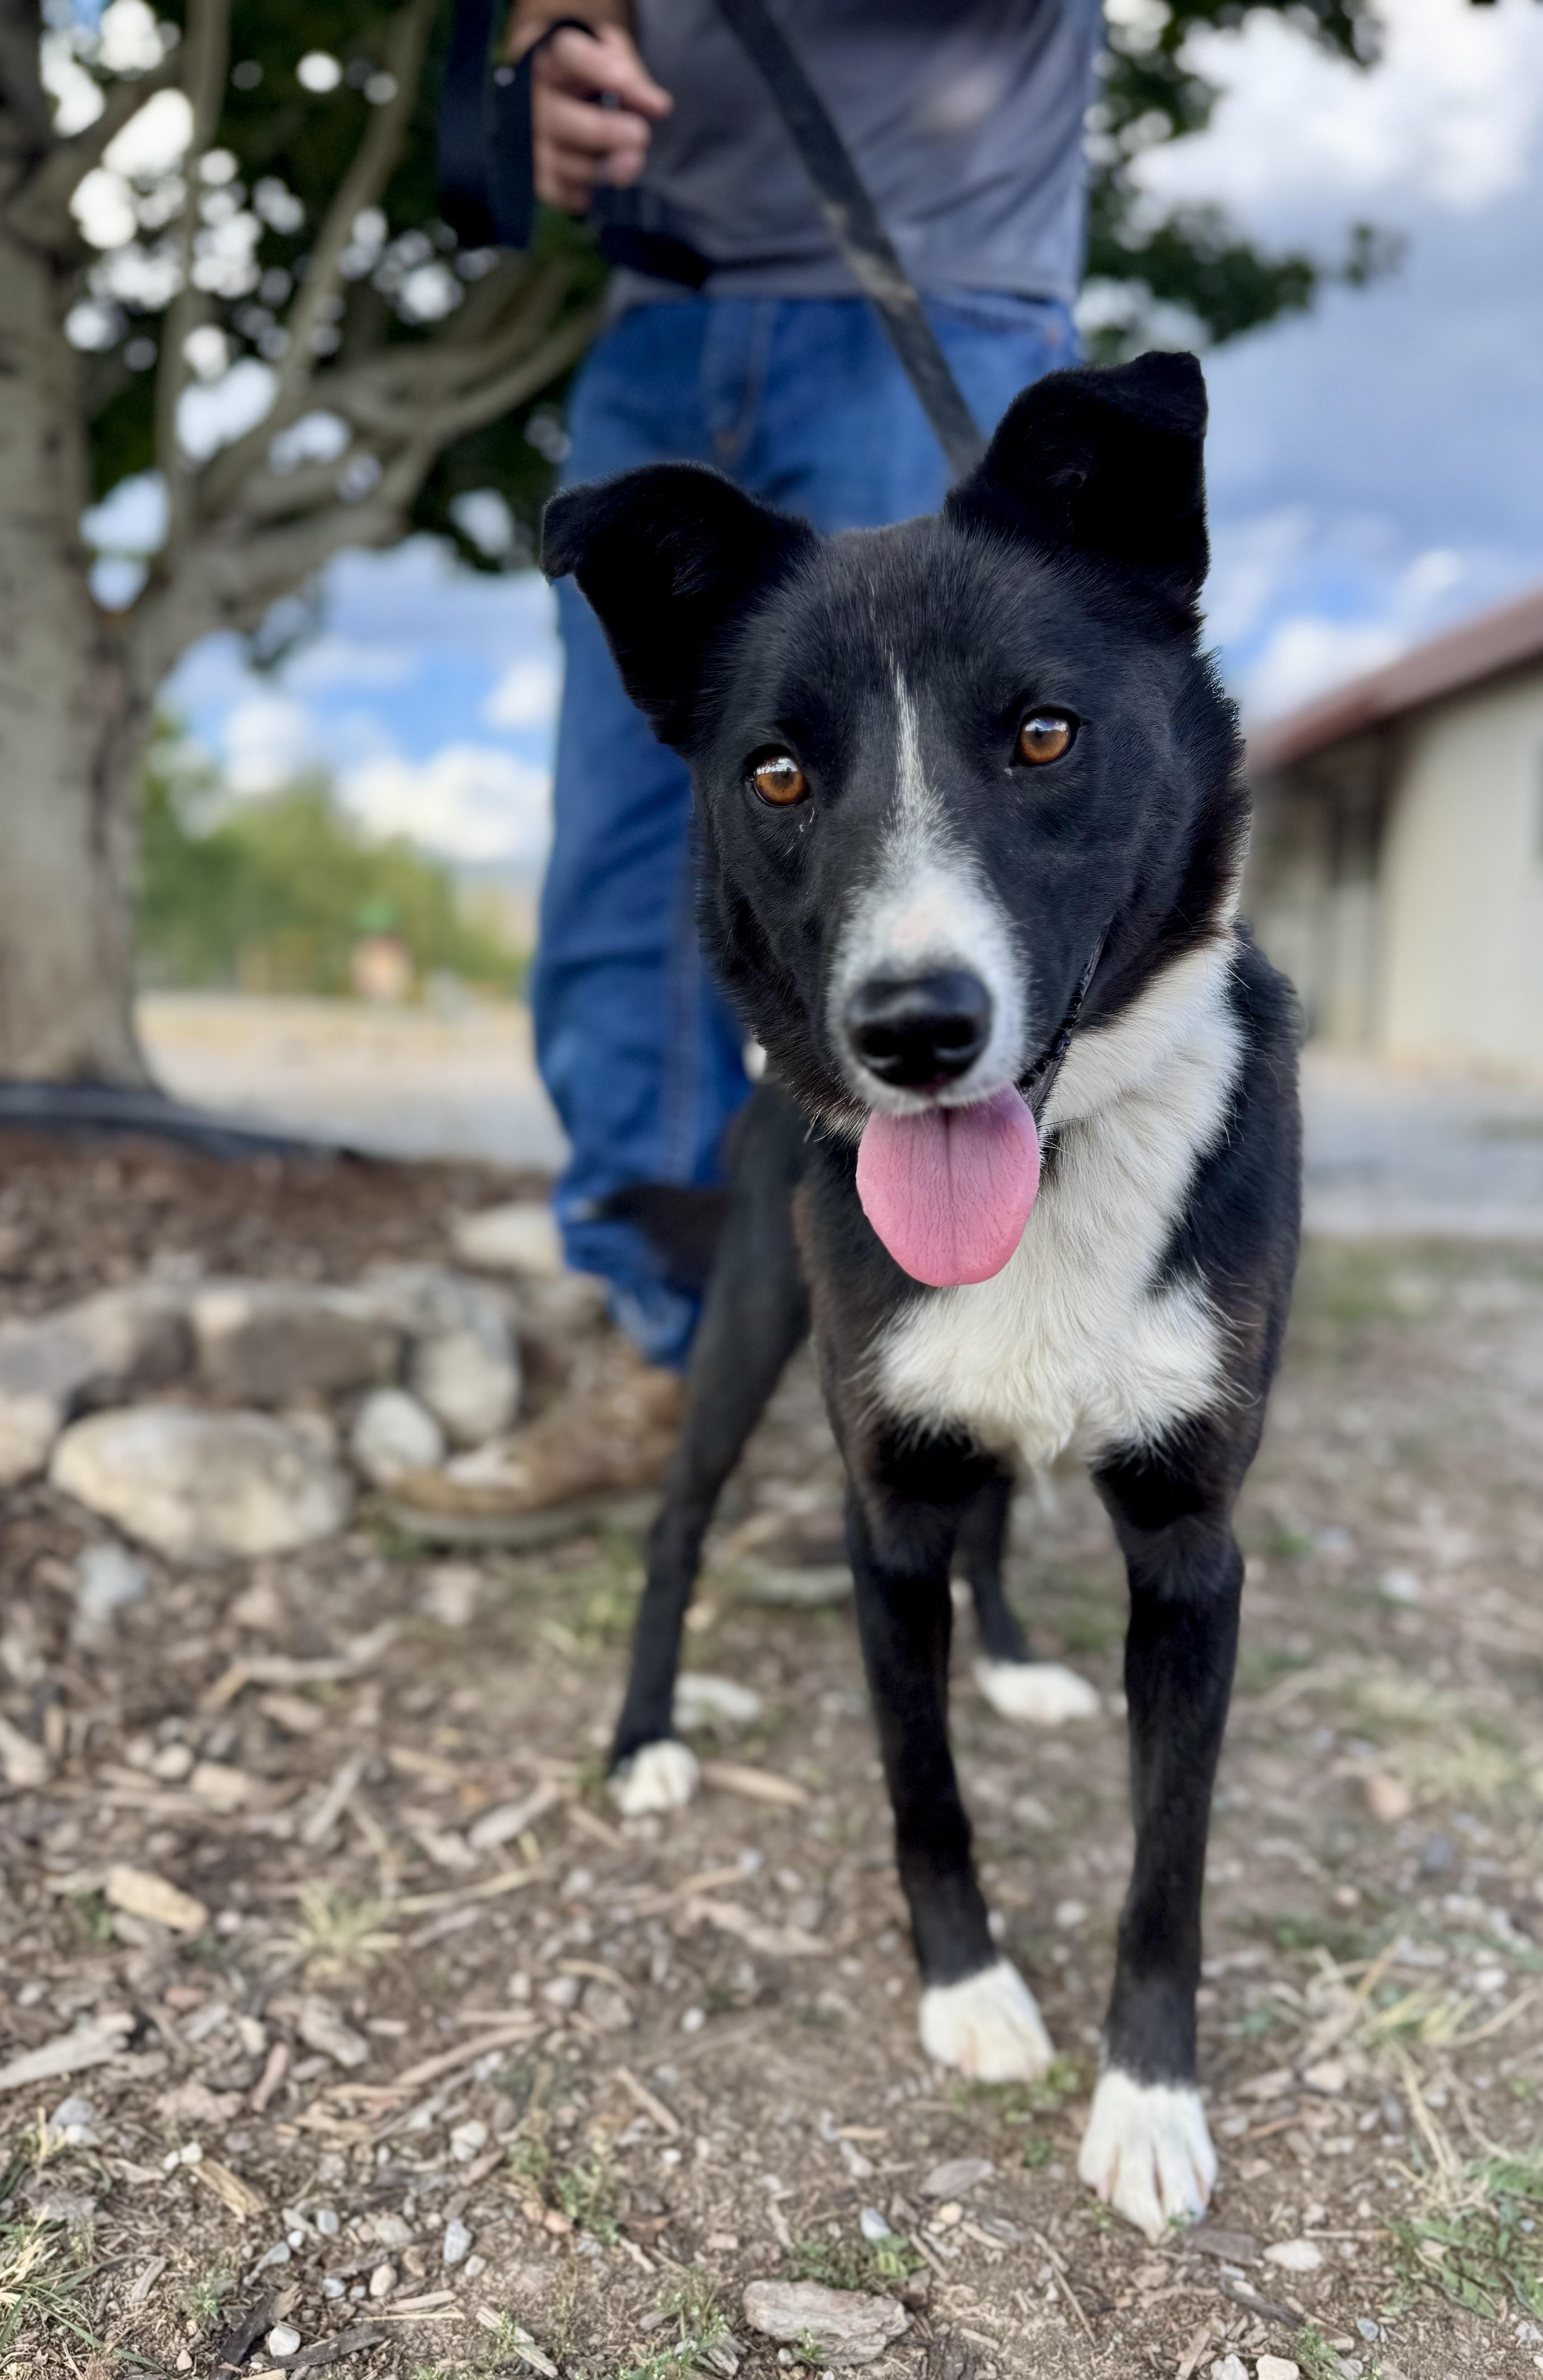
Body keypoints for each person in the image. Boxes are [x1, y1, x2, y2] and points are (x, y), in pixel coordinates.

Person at [390, 0, 1097, 1540]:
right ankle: (667, 1359)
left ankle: (948, 1409)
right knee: (627, 875)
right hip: (664, 314)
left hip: (931, 278)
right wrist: (558, 40)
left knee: (942, 885)